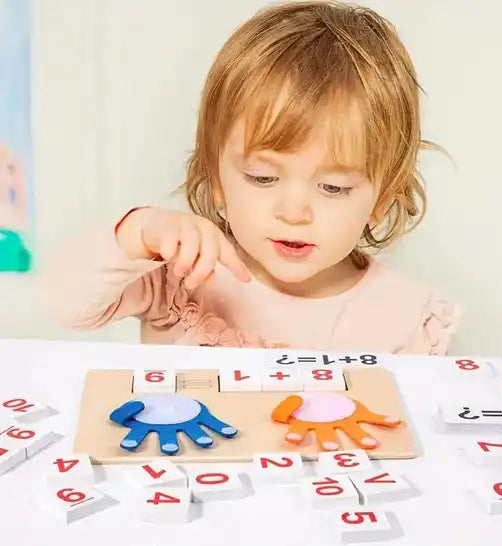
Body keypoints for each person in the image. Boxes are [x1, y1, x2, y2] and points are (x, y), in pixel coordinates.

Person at [40, 1, 461, 353]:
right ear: (216, 179)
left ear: (383, 199)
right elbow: (66, 305)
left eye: (333, 187)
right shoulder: (180, 275)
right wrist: (138, 232)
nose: (294, 212)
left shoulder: (408, 318)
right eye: (262, 178)